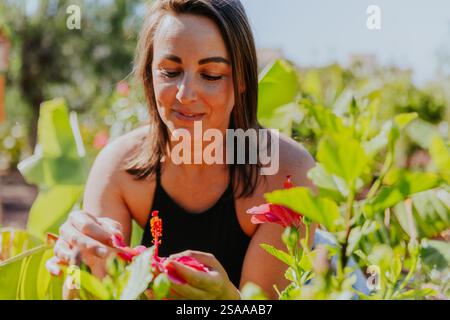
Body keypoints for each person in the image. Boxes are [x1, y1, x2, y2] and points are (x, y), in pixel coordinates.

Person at [48, 0, 316, 300]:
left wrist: (231, 302)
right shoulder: (119, 168)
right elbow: (88, 292)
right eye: (170, 72)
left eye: (212, 74)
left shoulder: (287, 175)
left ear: (242, 80)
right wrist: (79, 268)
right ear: (149, 75)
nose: (185, 94)